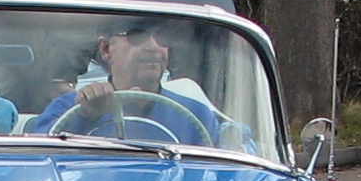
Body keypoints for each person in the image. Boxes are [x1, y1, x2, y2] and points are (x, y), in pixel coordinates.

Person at [28, 19, 221, 145]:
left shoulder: (197, 116)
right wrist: (85, 116)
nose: (153, 47)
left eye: (162, 37)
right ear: (105, 49)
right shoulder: (67, 108)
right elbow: (39, 163)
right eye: (137, 36)